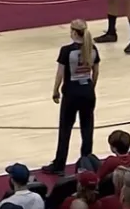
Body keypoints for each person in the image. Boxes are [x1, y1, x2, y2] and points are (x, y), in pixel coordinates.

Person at [42, 19, 100, 176]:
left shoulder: (66, 51)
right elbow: (96, 72)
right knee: (87, 129)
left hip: (71, 93)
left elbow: (60, 74)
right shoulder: (93, 49)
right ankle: (86, 164)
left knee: (65, 129)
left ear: (74, 32)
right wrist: (91, 88)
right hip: (88, 92)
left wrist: (55, 91)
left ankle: (59, 164)